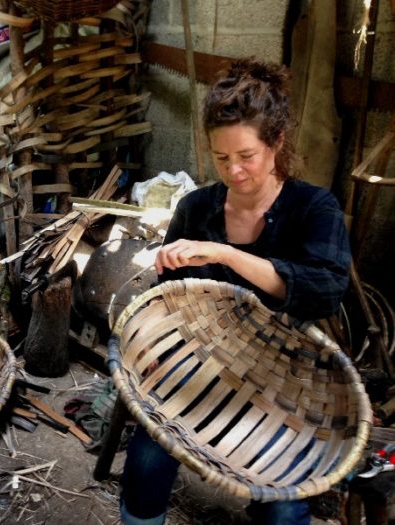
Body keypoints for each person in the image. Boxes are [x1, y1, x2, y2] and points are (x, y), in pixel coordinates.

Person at [119, 58, 351, 525]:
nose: (235, 171)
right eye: (221, 159)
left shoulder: (314, 207)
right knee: (146, 462)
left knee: (283, 509)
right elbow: (171, 300)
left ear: (276, 143)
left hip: (284, 382)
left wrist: (226, 255)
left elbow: (324, 290)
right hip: (203, 367)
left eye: (246, 156)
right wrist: (159, 339)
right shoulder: (196, 208)